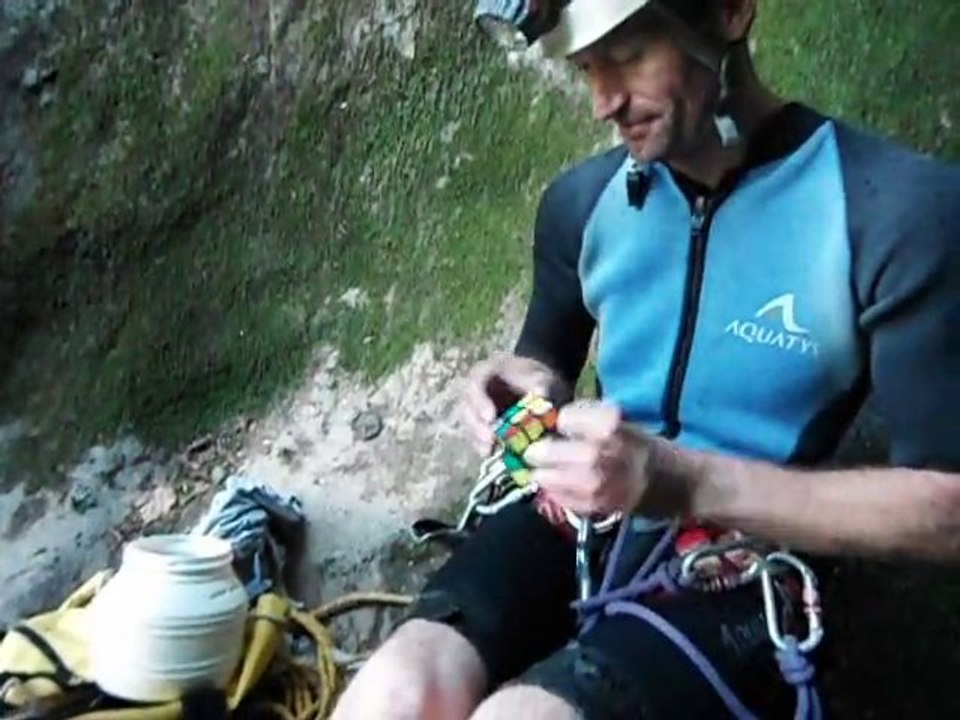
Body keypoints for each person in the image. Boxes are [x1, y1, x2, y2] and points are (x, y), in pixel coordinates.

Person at [332, 0, 960, 717]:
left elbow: (948, 509)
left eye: (628, 56)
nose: (605, 102)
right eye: (585, 68)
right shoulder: (582, 203)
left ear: (729, 12)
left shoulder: (893, 212)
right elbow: (545, 362)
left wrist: (682, 480)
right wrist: (517, 385)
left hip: (743, 560)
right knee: (390, 696)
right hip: (579, 516)